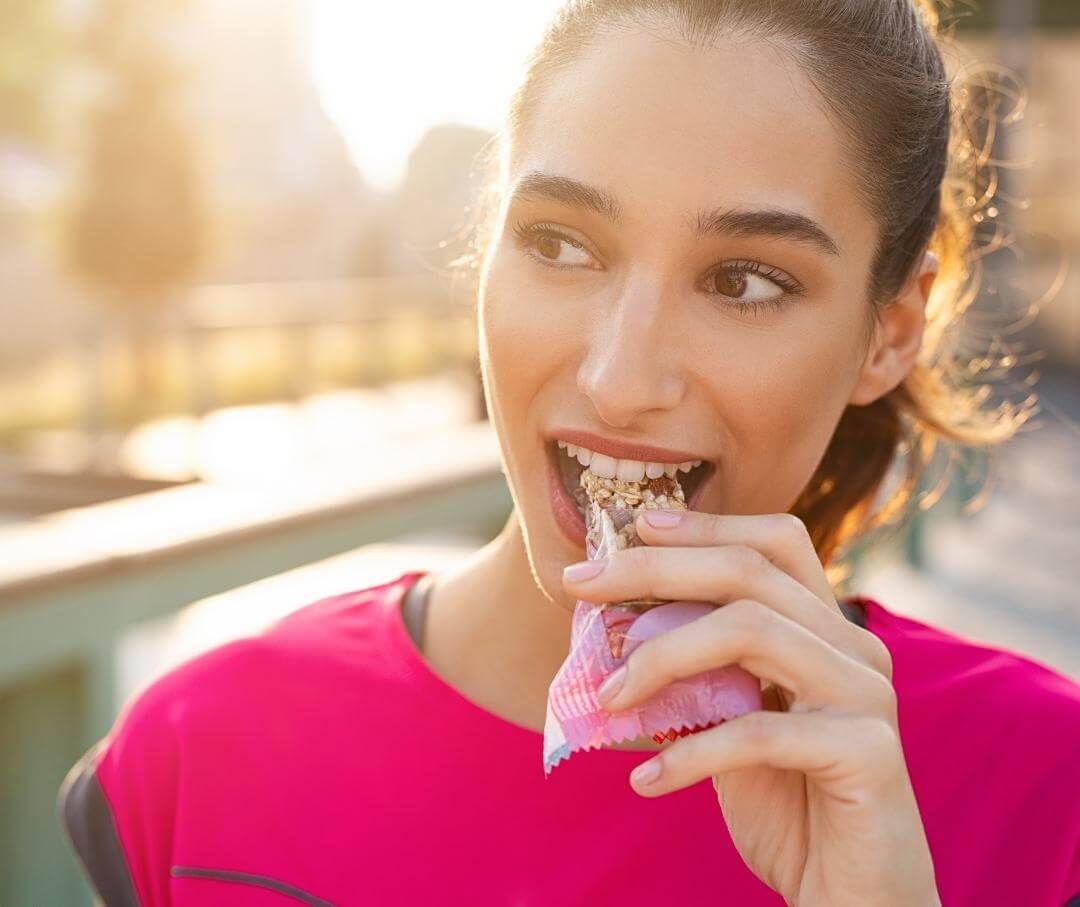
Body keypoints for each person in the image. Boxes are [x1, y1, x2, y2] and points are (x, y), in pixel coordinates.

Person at [59, 1, 1080, 904]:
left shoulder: (1043, 797)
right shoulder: (200, 759)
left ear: (890, 331)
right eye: (560, 243)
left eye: (745, 281)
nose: (618, 375)